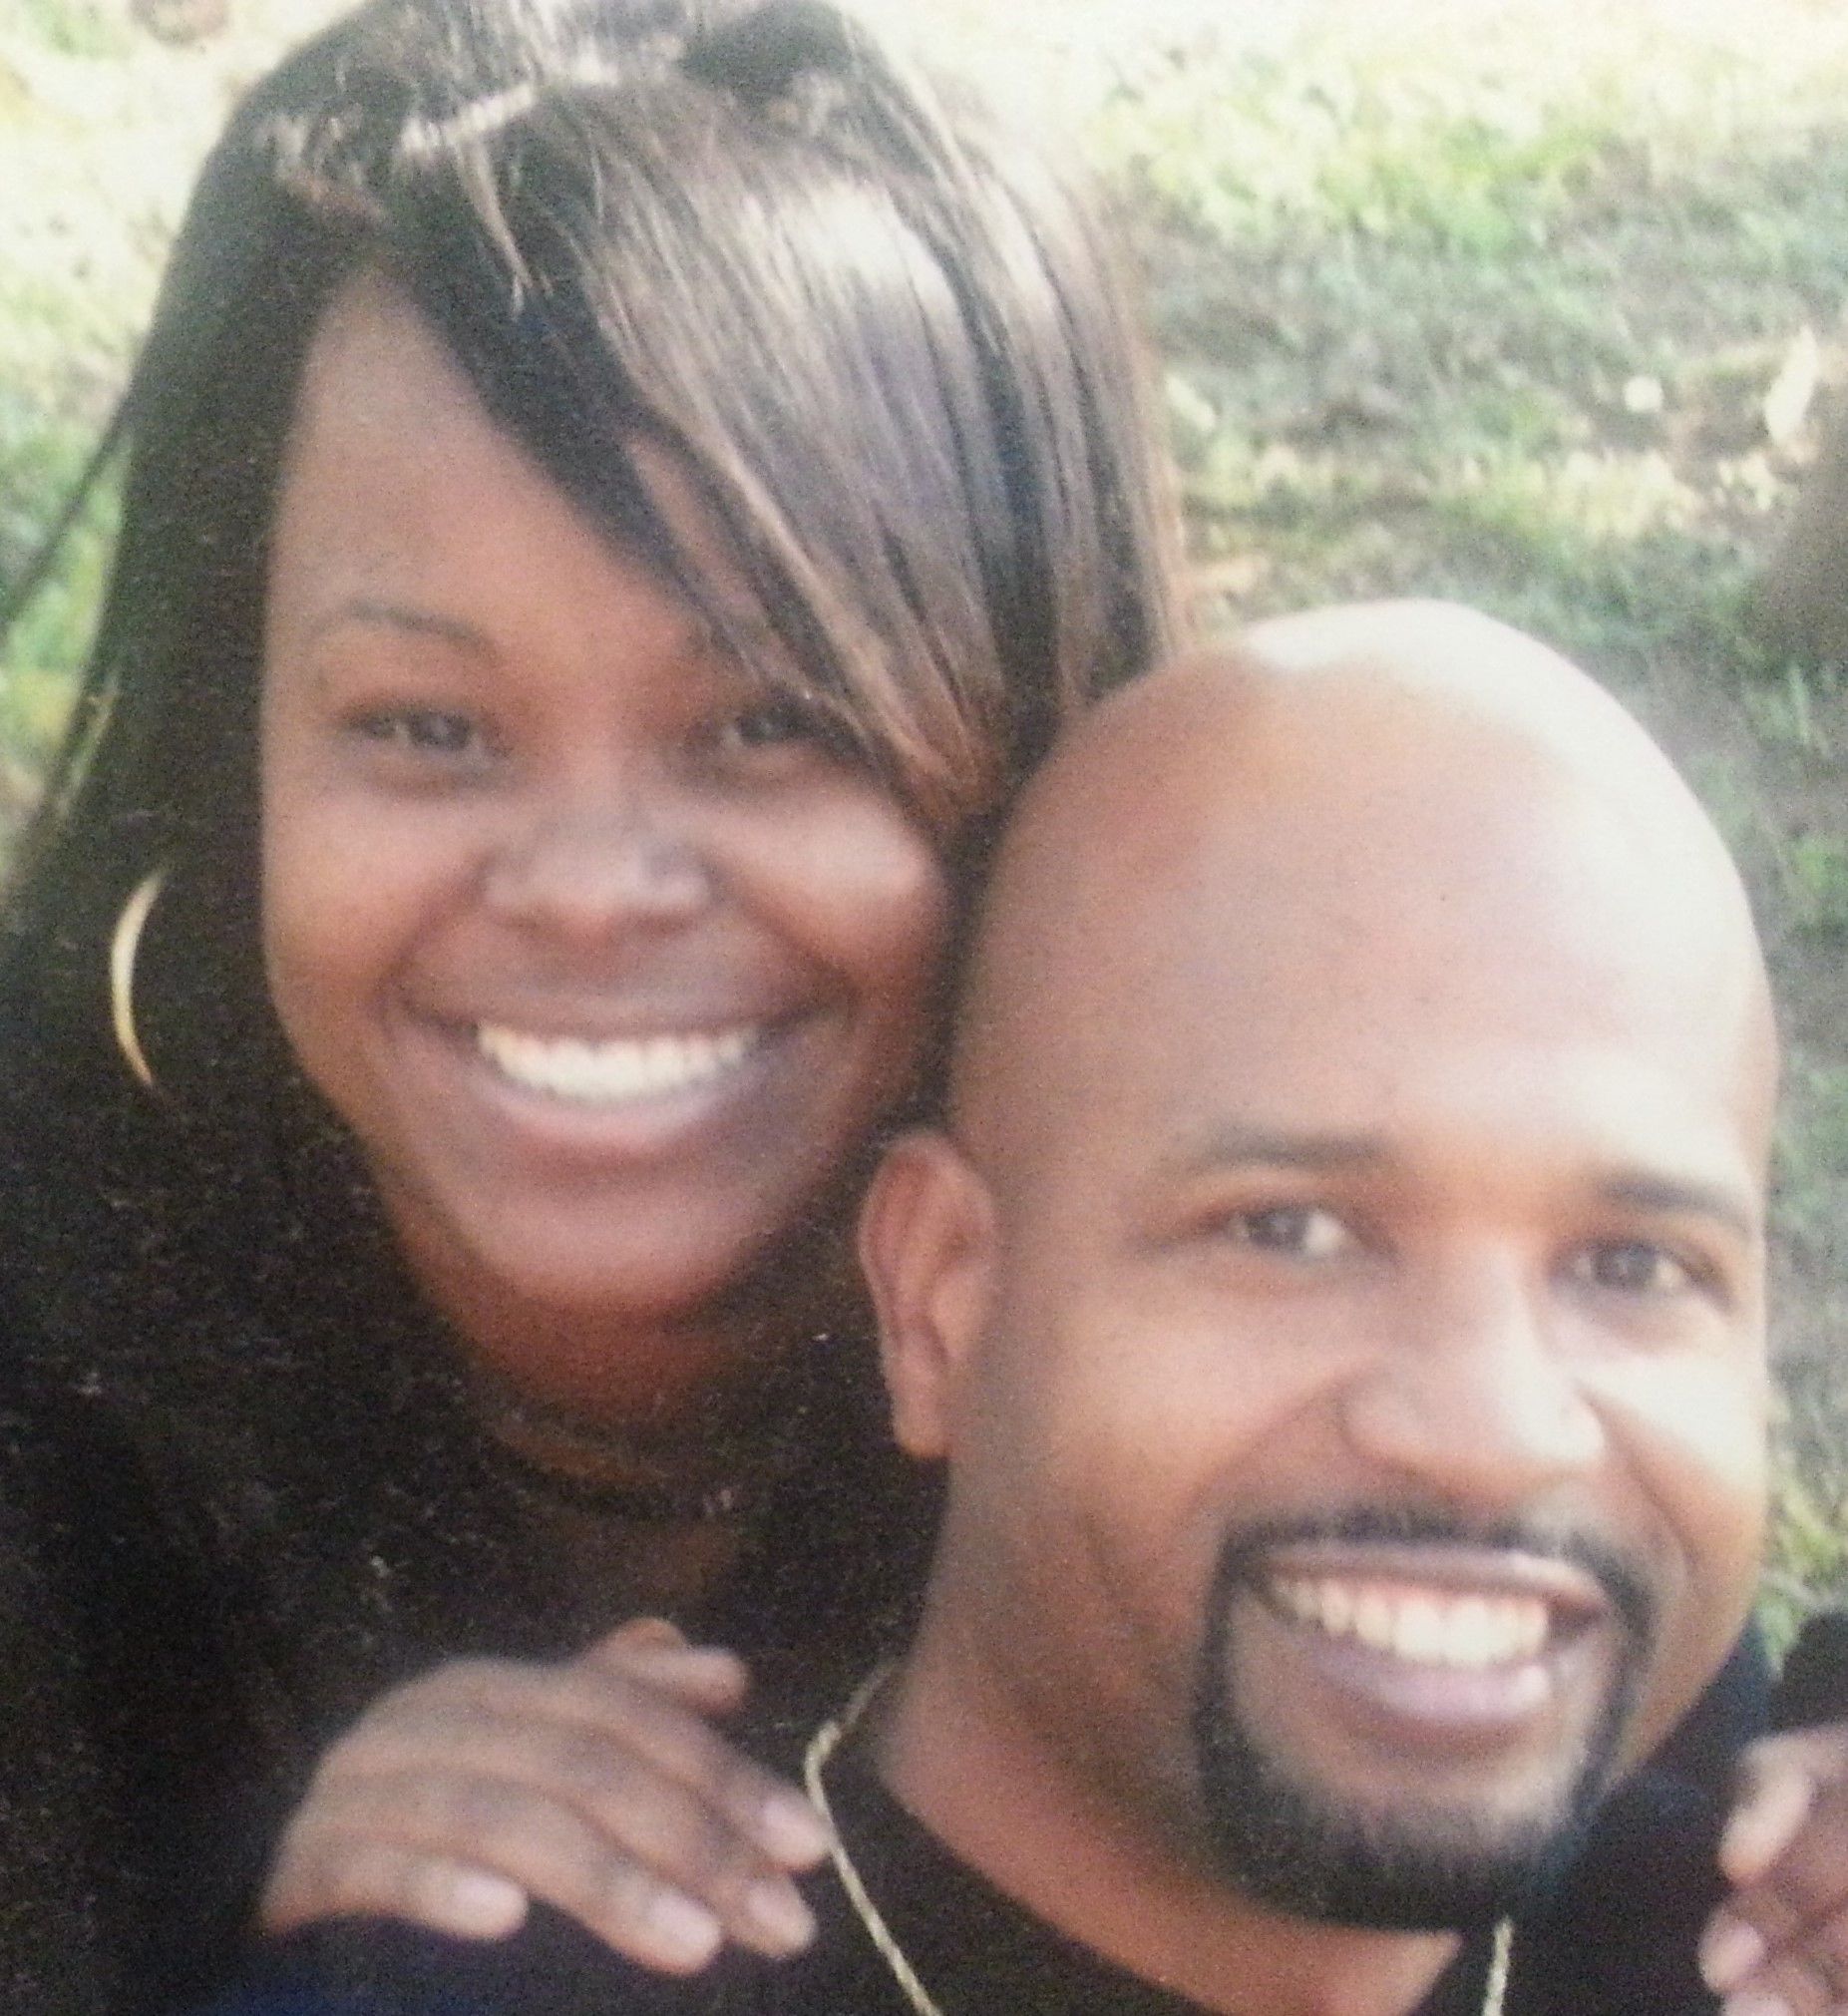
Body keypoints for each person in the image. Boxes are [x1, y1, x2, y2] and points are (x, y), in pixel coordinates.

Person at [0, 1, 1180, 2008]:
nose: (585, 888)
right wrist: (234, 1933)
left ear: (1040, 735)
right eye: (426, 726)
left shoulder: (1239, 1307)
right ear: (236, 748)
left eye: (774, 721)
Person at [207, 605, 1848, 2016]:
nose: (1493, 1429)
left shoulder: (1757, 1934)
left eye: (1633, 1265)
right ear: (938, 1297)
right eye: (1287, 1230)